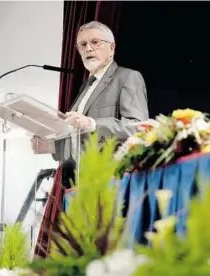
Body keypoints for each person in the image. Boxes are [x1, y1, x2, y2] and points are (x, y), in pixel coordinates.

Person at [31, 21, 149, 187]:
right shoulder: (85, 87)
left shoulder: (127, 78)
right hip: (78, 186)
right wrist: (51, 146)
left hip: (113, 181)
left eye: (95, 42)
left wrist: (92, 123)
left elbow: (138, 127)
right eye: (83, 45)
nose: (88, 48)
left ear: (112, 48)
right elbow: (78, 140)